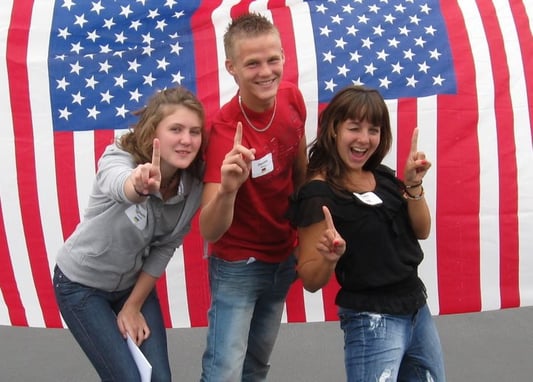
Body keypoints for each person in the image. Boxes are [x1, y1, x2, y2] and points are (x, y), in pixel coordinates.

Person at [287, 85, 446, 381]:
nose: (364, 139)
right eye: (354, 128)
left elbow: (421, 231)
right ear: (334, 129)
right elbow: (309, 279)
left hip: (416, 309)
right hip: (372, 319)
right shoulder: (318, 194)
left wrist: (412, 185)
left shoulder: (383, 177)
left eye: (373, 129)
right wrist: (329, 258)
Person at [53, 86, 206, 382]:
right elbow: (118, 183)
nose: (187, 140)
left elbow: (165, 248)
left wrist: (133, 306)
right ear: (153, 133)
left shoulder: (194, 188)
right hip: (81, 285)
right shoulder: (118, 157)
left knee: (159, 379)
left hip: (131, 285)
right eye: (176, 129)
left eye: (195, 131)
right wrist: (138, 185)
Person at [199, 12, 307, 382]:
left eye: (272, 59)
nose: (266, 71)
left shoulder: (291, 96)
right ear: (231, 67)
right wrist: (229, 188)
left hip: (283, 256)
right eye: (252, 63)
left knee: (256, 367)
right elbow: (209, 230)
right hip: (238, 265)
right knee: (223, 373)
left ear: (284, 57)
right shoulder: (224, 129)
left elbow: (300, 167)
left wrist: (303, 234)